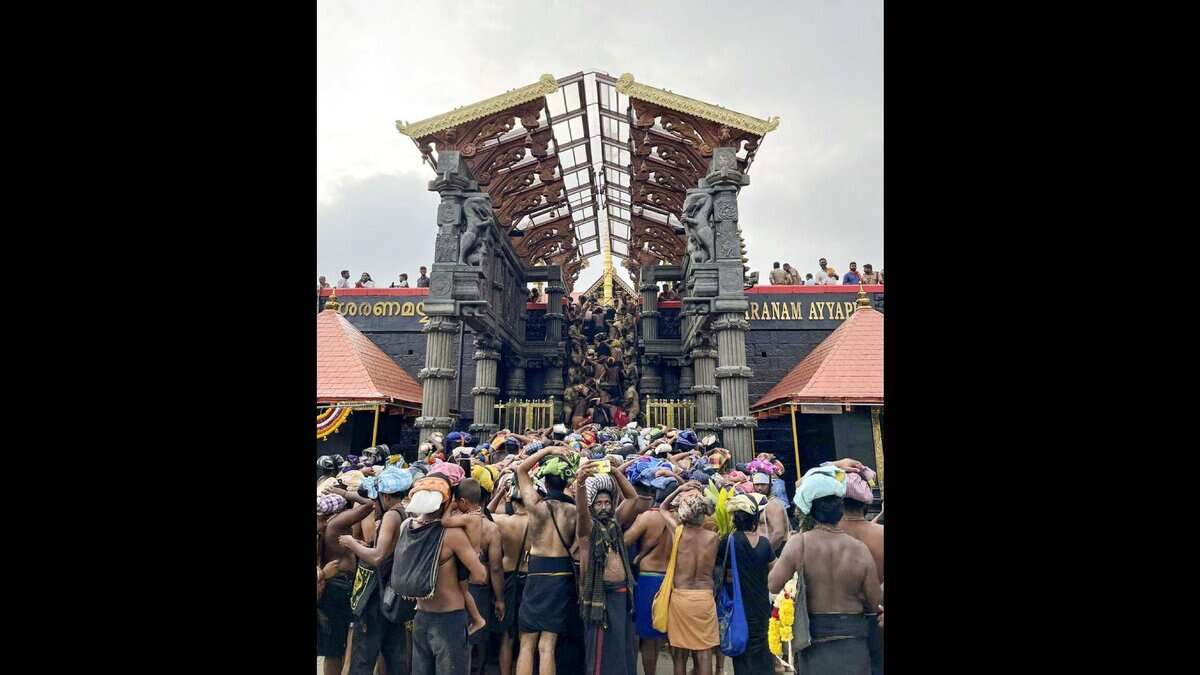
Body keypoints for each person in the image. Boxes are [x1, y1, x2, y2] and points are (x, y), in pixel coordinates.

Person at [769, 465, 882, 675]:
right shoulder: (859, 549)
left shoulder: (798, 544)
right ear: (840, 510)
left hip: (814, 642)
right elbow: (875, 602)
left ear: (809, 510)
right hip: (853, 642)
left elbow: (773, 584)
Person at [401, 472, 489, 675]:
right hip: (449, 620)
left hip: (421, 615)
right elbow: (480, 576)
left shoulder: (407, 527)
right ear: (447, 501)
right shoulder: (452, 534)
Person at [337, 467, 415, 675]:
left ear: (386, 496)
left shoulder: (390, 515)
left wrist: (351, 543)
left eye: (376, 497)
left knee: (363, 656)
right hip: (392, 595)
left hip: (376, 597)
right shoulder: (404, 512)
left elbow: (378, 557)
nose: (373, 503)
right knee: (394, 656)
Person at [515, 446, 579, 675]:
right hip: (561, 574)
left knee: (527, 643)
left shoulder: (536, 506)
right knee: (547, 645)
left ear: (545, 482)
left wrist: (549, 449)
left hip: (537, 571)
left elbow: (521, 470)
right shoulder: (575, 510)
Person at [574, 462, 640, 675]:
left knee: (622, 648)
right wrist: (581, 484)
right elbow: (581, 512)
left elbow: (633, 499)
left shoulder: (615, 524)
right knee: (601, 654)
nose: (603, 507)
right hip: (600, 598)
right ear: (592, 506)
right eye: (599, 503)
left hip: (621, 594)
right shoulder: (587, 530)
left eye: (607, 502)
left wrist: (615, 471)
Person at [658, 481, 720, 675]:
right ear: (702, 515)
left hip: (681, 598)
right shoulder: (713, 538)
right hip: (704, 598)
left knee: (679, 654)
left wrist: (678, 489)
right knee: (704, 652)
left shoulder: (678, 532)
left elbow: (662, 508)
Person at [447, 478, 506, 675]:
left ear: (462, 501)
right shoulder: (491, 528)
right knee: (479, 633)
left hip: (454, 585)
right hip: (479, 585)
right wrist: (499, 599)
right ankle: (478, 669)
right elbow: (496, 568)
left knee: (457, 635)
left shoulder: (456, 522)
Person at [623, 475, 676, 675]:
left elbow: (624, 541)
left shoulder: (647, 518)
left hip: (648, 578)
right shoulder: (680, 520)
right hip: (672, 579)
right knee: (675, 637)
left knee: (648, 638)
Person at [717, 494, 775, 675]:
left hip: (737, 608)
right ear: (754, 518)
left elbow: (718, 570)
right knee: (763, 651)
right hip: (761, 607)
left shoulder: (728, 541)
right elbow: (775, 570)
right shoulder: (765, 544)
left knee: (741, 654)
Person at [839, 469, 884, 675]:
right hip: (877, 616)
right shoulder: (880, 535)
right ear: (866, 503)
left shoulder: (821, 536)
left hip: (834, 623)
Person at [491, 473, 531, 675]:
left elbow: (484, 514)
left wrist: (499, 493)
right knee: (526, 635)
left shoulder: (503, 522)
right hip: (530, 577)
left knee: (506, 635)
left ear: (513, 501)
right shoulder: (538, 521)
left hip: (508, 577)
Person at [752, 472, 789, 555]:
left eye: (763, 484)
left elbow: (779, 534)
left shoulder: (773, 504)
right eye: (757, 485)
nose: (759, 488)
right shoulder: (761, 503)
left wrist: (766, 554)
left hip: (775, 551)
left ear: (770, 485)